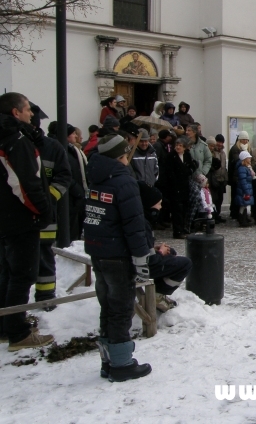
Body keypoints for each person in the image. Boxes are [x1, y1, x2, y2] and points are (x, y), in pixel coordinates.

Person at [83, 134, 152, 382]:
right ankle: (122, 363)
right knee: (122, 308)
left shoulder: (96, 176)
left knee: (107, 306)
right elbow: (133, 224)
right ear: (122, 155)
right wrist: (142, 255)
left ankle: (107, 361)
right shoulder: (123, 181)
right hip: (118, 253)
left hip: (98, 250)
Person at [0, 92, 55, 351]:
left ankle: (7, 323)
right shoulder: (17, 140)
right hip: (20, 217)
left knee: (8, 272)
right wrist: (42, 210)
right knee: (22, 274)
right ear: (15, 113)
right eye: (26, 109)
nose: (31, 113)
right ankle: (18, 332)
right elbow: (24, 183)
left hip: (8, 215)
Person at [27, 103, 72, 306]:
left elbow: (64, 178)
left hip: (45, 216)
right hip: (17, 218)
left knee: (44, 256)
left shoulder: (52, 148)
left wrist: (48, 200)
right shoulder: (16, 145)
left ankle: (45, 297)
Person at [138, 182, 192, 313]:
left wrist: (155, 249)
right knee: (185, 264)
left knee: (171, 252)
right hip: (138, 267)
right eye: (158, 203)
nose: (160, 207)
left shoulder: (140, 219)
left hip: (137, 261)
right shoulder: (142, 223)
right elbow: (150, 260)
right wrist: (160, 253)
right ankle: (158, 294)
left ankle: (158, 292)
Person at [164, 136, 198, 239]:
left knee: (184, 208)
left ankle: (184, 228)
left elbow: (192, 166)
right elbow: (169, 172)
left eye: (180, 145)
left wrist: (189, 170)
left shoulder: (187, 155)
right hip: (174, 186)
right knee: (177, 210)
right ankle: (177, 231)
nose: (178, 147)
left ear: (184, 147)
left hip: (184, 185)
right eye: (177, 145)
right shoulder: (171, 156)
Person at [67, 124, 88, 241]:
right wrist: (78, 191)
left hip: (79, 194)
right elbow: (67, 174)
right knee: (72, 227)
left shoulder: (76, 150)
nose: (76, 136)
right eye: (73, 133)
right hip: (73, 195)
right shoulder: (67, 151)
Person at [227, 131, 251, 221]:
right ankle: (235, 213)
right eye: (243, 139)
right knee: (236, 195)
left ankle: (242, 214)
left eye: (246, 139)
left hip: (244, 174)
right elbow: (237, 162)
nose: (245, 141)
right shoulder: (235, 149)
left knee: (243, 195)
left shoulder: (248, 148)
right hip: (236, 176)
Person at [209, 135, 228, 224]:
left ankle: (218, 215)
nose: (220, 144)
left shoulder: (223, 153)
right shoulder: (212, 152)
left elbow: (224, 167)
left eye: (221, 142)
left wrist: (225, 178)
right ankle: (213, 215)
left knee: (220, 199)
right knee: (214, 199)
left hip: (222, 179)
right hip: (214, 178)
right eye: (218, 142)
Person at [234, 151, 255, 227]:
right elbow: (243, 181)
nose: (250, 160)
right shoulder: (242, 168)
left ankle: (245, 219)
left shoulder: (247, 168)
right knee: (243, 205)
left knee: (245, 205)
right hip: (244, 190)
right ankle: (242, 220)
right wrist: (246, 191)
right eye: (248, 158)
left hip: (247, 188)